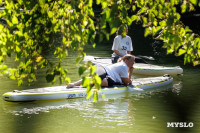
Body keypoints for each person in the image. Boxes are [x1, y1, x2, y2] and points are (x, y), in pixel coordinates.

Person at [66, 54, 135, 88]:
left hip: (102, 71)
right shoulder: (124, 66)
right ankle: (74, 84)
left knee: (104, 82)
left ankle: (75, 85)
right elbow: (126, 82)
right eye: (132, 61)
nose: (133, 63)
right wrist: (130, 73)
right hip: (103, 70)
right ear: (126, 60)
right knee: (99, 80)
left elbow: (124, 81)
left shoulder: (121, 64)